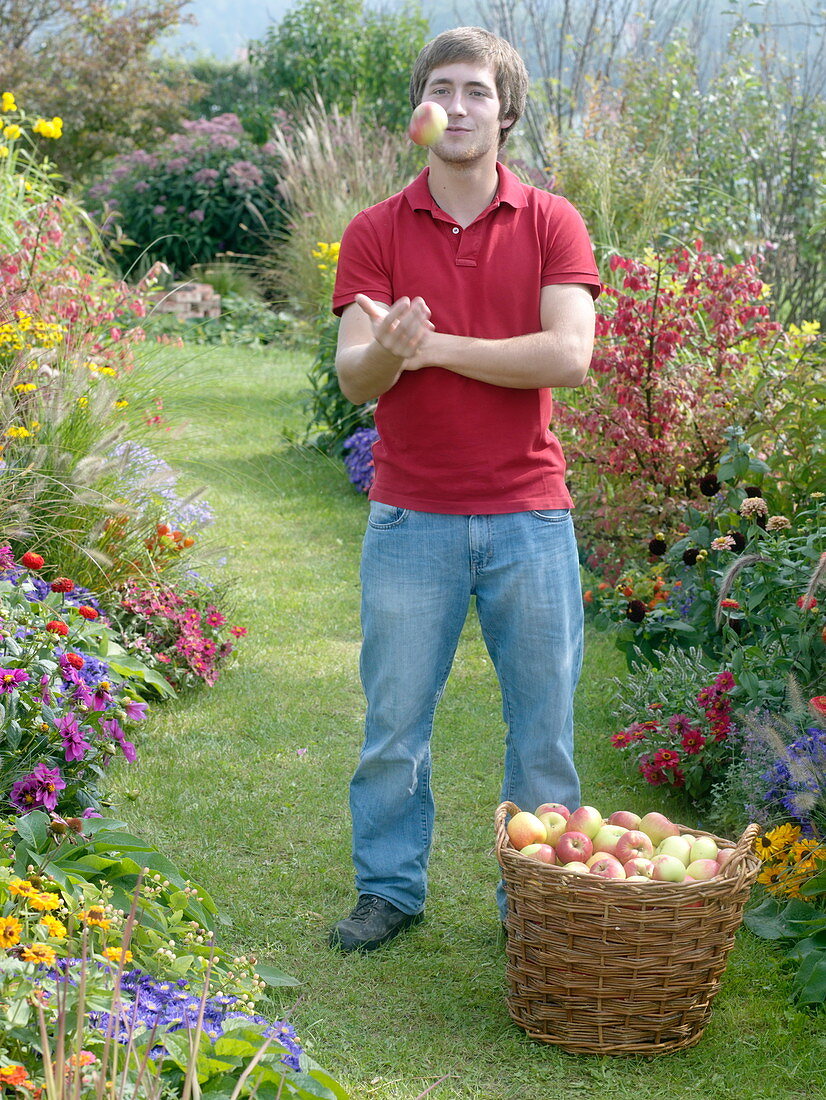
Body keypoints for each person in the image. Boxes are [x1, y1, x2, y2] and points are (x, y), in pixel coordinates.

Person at [329, 26, 601, 952]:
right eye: (440, 89)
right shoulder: (375, 231)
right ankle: (389, 891)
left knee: (545, 731)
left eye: (476, 90)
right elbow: (354, 380)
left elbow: (569, 355)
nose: (457, 104)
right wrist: (388, 355)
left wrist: (435, 348)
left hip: (531, 515)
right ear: (421, 110)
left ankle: (539, 903)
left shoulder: (553, 220)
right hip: (412, 518)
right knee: (394, 722)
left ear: (506, 110)